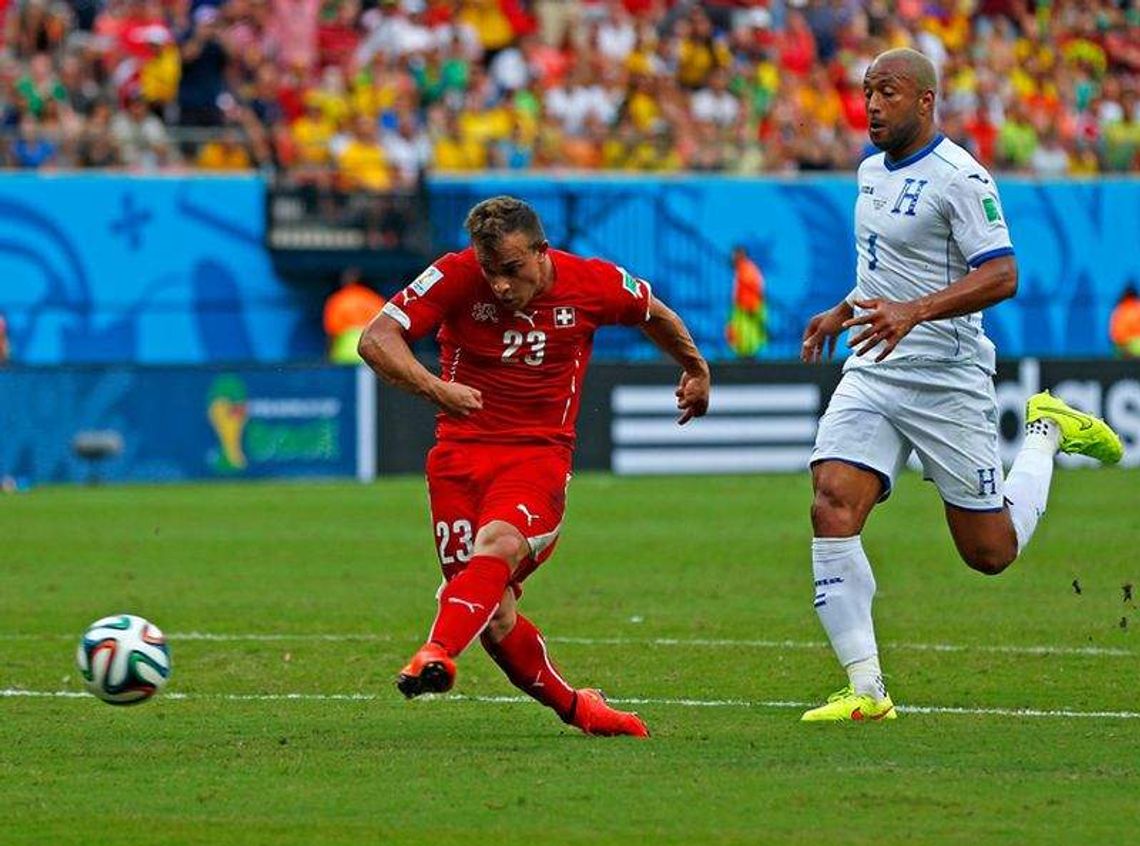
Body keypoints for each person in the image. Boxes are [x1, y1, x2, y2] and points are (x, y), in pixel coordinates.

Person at [798, 49, 1124, 722]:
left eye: (887, 92)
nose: (873, 105)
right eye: (866, 93)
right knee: (832, 502)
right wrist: (846, 308)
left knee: (989, 553)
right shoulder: (867, 174)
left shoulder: (961, 178)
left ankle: (1045, 431)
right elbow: (886, 272)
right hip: (875, 364)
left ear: (925, 101)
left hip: (948, 379)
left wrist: (915, 312)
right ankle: (867, 689)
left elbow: (1003, 274)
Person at [358, 195, 710, 736]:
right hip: (457, 460)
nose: (499, 285)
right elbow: (375, 338)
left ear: (542, 252)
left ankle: (436, 650)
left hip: (536, 458)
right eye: (489, 271)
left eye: (512, 270)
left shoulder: (592, 282)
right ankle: (580, 708)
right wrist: (436, 388)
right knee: (493, 616)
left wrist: (694, 366)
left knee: (496, 545)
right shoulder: (454, 275)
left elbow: (653, 313)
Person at [323, 268, 386, 364]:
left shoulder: (337, 300)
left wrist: (328, 355)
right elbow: (385, 329)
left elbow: (331, 333)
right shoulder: (374, 298)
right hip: (371, 351)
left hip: (345, 352)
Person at [725, 245, 766, 357]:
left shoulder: (747, 270)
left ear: (741, 255)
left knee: (747, 339)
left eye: (735, 255)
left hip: (748, 310)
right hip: (743, 309)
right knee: (740, 338)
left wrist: (750, 307)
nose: (732, 258)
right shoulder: (743, 269)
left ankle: (748, 358)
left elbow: (753, 290)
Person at [1109, 283, 1140, 357]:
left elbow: (1114, 336)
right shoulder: (1136, 308)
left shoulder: (1118, 309)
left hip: (1118, 348)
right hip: (1131, 348)